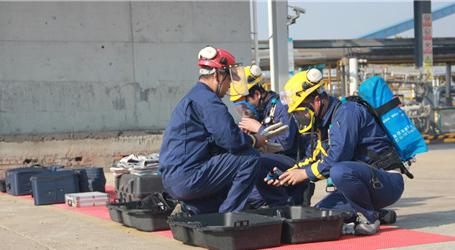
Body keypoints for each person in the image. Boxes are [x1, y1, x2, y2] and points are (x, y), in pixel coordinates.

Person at [269, 69, 405, 235]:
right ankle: (376, 212)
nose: (302, 117)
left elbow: (338, 157)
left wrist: (304, 175)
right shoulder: (325, 123)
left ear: (317, 100)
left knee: (339, 170)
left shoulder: (347, 112)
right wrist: (288, 174)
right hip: (363, 186)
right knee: (317, 216)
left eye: (302, 111)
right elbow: (313, 158)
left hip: (386, 182)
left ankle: (370, 218)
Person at [159, 46, 268, 214]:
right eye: (229, 80)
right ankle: (229, 216)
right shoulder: (209, 100)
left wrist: (238, 139)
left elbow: (217, 140)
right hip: (188, 178)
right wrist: (254, 140)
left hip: (174, 181)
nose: (230, 86)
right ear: (218, 75)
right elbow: (230, 139)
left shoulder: (195, 97)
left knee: (226, 177)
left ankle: (195, 210)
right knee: (250, 158)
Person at [229, 65, 311, 208]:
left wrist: (259, 129)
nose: (245, 111)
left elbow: (285, 143)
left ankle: (281, 202)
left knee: (254, 161)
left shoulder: (281, 106)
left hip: (295, 161)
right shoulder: (261, 113)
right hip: (274, 160)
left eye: (245, 104)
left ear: (257, 94)